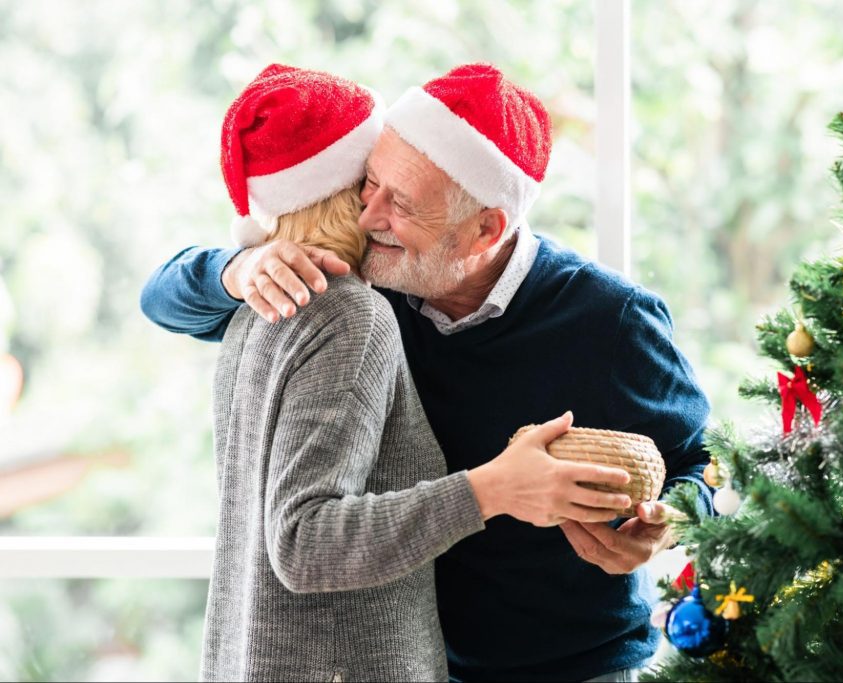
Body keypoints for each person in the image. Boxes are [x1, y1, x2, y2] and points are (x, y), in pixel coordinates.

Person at [141, 63, 713, 682]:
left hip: (574, 666)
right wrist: (239, 266)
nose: (368, 217)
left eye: (402, 204)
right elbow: (161, 298)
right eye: (371, 184)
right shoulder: (363, 290)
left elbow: (701, 464)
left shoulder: (611, 320)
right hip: (420, 663)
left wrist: (668, 526)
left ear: (485, 229)